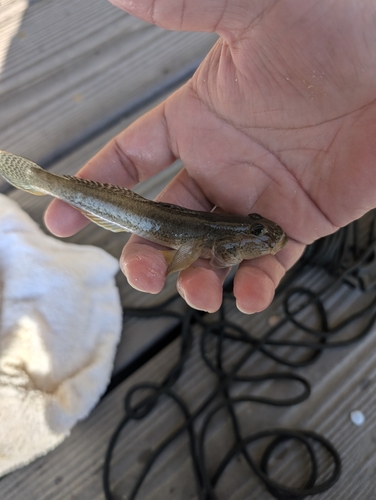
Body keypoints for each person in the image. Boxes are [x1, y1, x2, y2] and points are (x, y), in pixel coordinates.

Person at [45, 0, 376, 314]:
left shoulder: (229, 238)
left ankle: (44, 182)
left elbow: (221, 253)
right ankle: (41, 181)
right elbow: (221, 255)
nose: (268, 238)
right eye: (260, 234)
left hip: (160, 220)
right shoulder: (226, 243)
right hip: (158, 220)